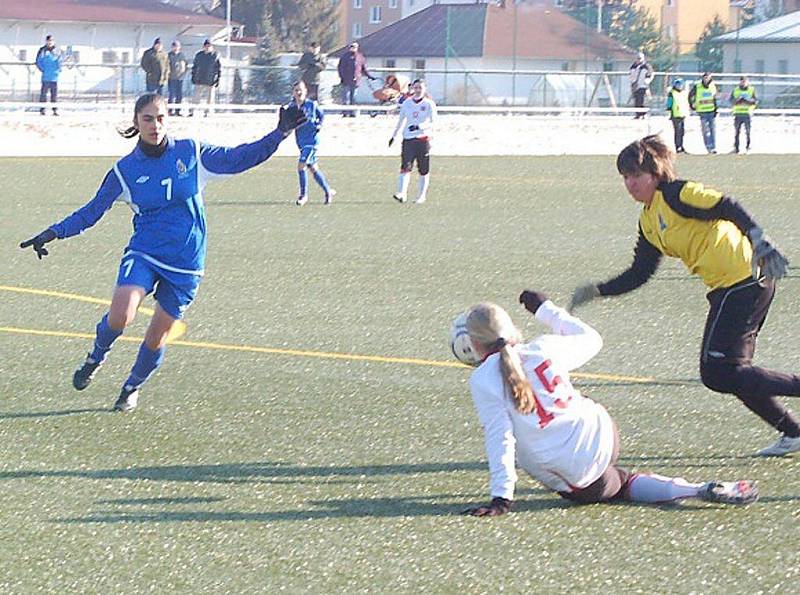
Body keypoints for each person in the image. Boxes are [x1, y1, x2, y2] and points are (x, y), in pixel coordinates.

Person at [19, 93, 307, 412]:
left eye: (160, 118)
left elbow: (241, 157)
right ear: (136, 122)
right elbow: (91, 211)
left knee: (157, 337)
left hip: (186, 262)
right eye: (147, 118)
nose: (155, 125)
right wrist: (53, 232)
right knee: (121, 314)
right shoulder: (124, 171)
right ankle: (96, 356)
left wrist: (280, 133)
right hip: (145, 252)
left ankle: (131, 387)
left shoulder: (191, 152)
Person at [569, 135, 800, 457]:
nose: (630, 184)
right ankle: (793, 433)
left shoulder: (676, 193)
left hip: (745, 282)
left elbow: (727, 204)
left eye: (636, 175)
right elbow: (641, 272)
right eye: (625, 177)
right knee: (730, 372)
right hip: (727, 289)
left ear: (655, 173)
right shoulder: (649, 220)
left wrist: (759, 238)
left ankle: (792, 429)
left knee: (722, 372)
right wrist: (598, 290)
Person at [460, 293, 758, 516]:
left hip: (577, 474)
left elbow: (500, 438)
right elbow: (591, 338)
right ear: (510, 330)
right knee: (581, 410)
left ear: (474, 345)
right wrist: (546, 310)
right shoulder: (543, 347)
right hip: (605, 433)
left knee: (622, 486)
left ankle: (694, 489)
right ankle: (700, 488)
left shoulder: (483, 379)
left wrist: (501, 498)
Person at [388, 79, 436, 205]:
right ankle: (401, 193)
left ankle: (421, 196)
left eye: (420, 87)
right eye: (416, 87)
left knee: (423, 169)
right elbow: (401, 120)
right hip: (408, 139)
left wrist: (423, 129)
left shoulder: (429, 104)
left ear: (424, 89)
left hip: (423, 139)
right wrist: (394, 136)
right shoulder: (407, 103)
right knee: (405, 167)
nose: (418, 90)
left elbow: (433, 122)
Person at [290, 81, 335, 206]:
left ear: (305, 91)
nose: (298, 92)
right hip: (300, 141)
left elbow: (321, 116)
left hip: (311, 141)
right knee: (313, 168)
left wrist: (319, 125)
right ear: (293, 93)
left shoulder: (312, 105)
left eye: (301, 90)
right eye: (296, 90)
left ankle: (303, 195)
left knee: (301, 165)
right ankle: (327, 191)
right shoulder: (292, 107)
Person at [336, 41, 376, 117]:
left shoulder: (360, 57)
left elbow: (363, 68)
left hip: (356, 81)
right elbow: (340, 68)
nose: (353, 48)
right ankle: (345, 113)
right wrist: (342, 77)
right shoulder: (344, 57)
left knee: (353, 98)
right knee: (346, 98)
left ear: (357, 48)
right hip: (346, 81)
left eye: (354, 47)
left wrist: (369, 76)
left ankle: (352, 113)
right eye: (351, 47)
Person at [689, 72, 719, 154]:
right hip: (702, 112)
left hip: (711, 111)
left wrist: (716, 109)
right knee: (705, 131)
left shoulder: (713, 86)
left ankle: (713, 147)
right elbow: (690, 96)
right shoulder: (697, 87)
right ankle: (708, 146)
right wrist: (692, 105)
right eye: (705, 77)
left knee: (713, 130)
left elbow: (715, 98)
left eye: (708, 77)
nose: (706, 79)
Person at [191, 39, 221, 116]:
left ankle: (207, 112)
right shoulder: (199, 55)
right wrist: (193, 77)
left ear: (212, 47)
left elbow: (218, 69)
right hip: (199, 79)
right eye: (206, 46)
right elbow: (194, 67)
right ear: (203, 47)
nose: (207, 48)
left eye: (209, 46)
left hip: (210, 80)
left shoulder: (215, 56)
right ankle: (192, 111)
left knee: (210, 98)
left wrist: (217, 79)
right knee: (196, 97)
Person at [35, 35, 62, 116]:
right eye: (48, 41)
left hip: (54, 77)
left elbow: (60, 61)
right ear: (46, 41)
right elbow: (38, 61)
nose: (50, 42)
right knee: (43, 94)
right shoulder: (42, 50)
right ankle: (42, 110)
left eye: (51, 41)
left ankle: (54, 110)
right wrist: (43, 69)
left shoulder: (57, 50)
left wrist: (58, 70)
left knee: (54, 94)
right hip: (45, 76)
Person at [730, 76, 757, 155]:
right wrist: (738, 100)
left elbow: (755, 101)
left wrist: (747, 101)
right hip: (738, 114)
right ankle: (736, 148)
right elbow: (731, 100)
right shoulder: (735, 90)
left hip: (747, 114)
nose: (743, 83)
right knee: (737, 132)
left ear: (747, 82)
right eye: (742, 81)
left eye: (745, 81)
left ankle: (748, 147)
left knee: (748, 132)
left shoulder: (751, 90)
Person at [665, 78, 689, 153]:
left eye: (680, 84)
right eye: (677, 84)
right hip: (675, 115)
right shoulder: (672, 93)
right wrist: (669, 109)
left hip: (682, 114)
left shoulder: (683, 93)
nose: (679, 86)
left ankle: (681, 146)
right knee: (677, 132)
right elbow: (669, 103)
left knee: (682, 131)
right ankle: (678, 146)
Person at [629, 51, 654, 120]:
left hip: (643, 86)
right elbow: (631, 75)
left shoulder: (646, 66)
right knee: (636, 100)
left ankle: (643, 114)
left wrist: (647, 81)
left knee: (642, 100)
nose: (638, 60)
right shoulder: (633, 66)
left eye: (640, 58)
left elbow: (651, 74)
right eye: (637, 58)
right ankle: (638, 114)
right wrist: (632, 83)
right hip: (635, 86)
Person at [167, 40, 188, 116]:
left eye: (177, 46)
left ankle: (178, 111)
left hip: (180, 79)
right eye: (174, 46)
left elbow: (186, 65)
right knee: (171, 95)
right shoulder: (169, 55)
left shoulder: (182, 55)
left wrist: (183, 74)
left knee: (179, 95)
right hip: (171, 78)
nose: (176, 48)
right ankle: (170, 111)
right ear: (172, 47)